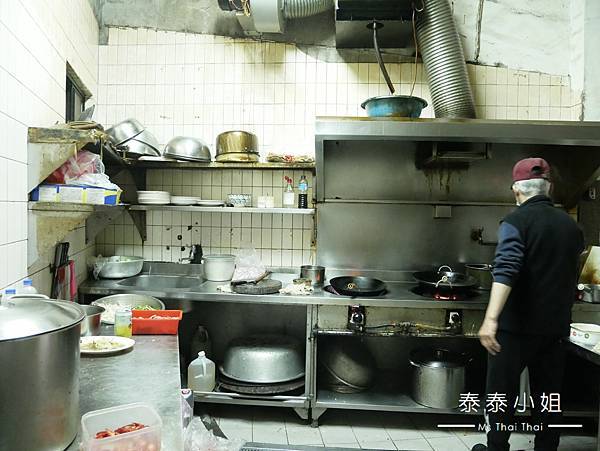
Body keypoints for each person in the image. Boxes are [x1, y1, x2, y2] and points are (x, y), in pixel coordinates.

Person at [472, 158, 584, 451]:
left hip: (514, 329)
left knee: (501, 395)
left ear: (516, 191)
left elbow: (506, 268)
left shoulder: (515, 222)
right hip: (554, 328)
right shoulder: (572, 228)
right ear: (550, 188)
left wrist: (491, 319)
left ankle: (496, 448)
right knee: (549, 396)